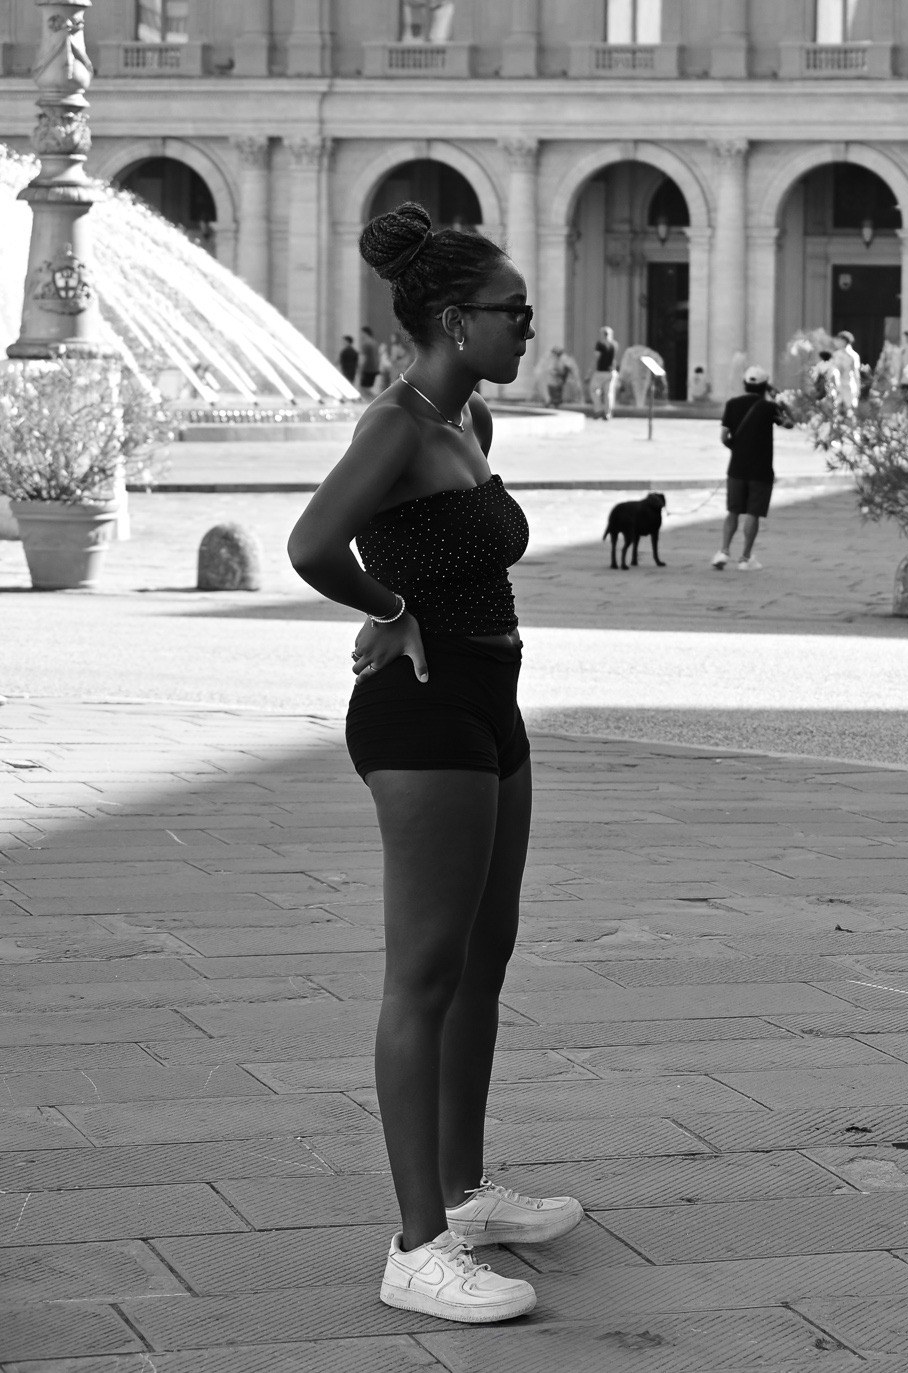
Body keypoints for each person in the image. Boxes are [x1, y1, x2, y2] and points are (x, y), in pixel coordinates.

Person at [285, 202, 577, 1326]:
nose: (529, 327)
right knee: (423, 973)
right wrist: (390, 605)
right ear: (455, 320)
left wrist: (408, 597)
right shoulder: (399, 424)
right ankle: (415, 1246)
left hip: (490, 705)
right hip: (421, 716)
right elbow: (315, 543)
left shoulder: (469, 426)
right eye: (514, 312)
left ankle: (463, 1190)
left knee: (483, 956)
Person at [714, 365, 790, 570]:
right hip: (761, 468)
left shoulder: (732, 404)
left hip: (737, 467)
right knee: (753, 513)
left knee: (733, 511)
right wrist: (780, 400)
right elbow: (790, 422)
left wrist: (737, 450)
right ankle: (745, 558)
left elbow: (724, 437)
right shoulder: (769, 407)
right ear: (766, 386)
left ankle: (723, 551)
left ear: (745, 384)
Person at [591, 326, 618, 420]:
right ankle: (608, 413)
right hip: (611, 372)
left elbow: (596, 358)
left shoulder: (600, 344)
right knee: (608, 393)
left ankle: (598, 410)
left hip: (601, 371)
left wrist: (590, 371)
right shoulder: (614, 344)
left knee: (593, 389)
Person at [358, 327, 382, 396]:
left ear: (365, 333)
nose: (361, 335)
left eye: (362, 333)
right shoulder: (375, 343)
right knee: (370, 388)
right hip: (375, 368)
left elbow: (363, 358)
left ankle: (371, 402)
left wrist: (360, 370)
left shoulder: (366, 344)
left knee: (363, 388)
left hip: (367, 369)